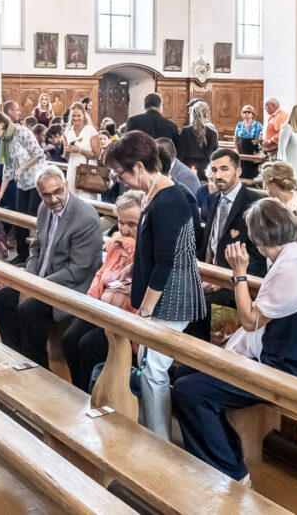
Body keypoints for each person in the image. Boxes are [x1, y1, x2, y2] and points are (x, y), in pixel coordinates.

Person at [173, 199, 297, 482]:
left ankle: (231, 471)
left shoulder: (291, 269)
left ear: (256, 239)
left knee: (190, 391)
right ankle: (223, 452)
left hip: (285, 370)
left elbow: (250, 320)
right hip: (279, 358)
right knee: (185, 371)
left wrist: (239, 273)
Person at [104, 132, 205, 439]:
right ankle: (150, 428)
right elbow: (156, 246)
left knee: (154, 369)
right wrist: (137, 266)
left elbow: (168, 261)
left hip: (172, 297)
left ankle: (159, 439)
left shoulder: (169, 198)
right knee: (149, 366)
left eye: (121, 173)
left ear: (137, 167)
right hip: (164, 293)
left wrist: (145, 311)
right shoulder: (155, 194)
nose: (120, 180)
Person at [0, 166, 103, 369]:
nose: (53, 199)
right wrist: (30, 280)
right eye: (46, 194)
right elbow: (35, 248)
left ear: (66, 186)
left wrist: (35, 287)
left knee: (28, 308)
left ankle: (37, 367)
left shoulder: (85, 217)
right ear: (39, 193)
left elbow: (78, 269)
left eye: (58, 191)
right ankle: (17, 355)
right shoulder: (44, 209)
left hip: (71, 287)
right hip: (41, 280)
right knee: (0, 299)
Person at [61, 190, 142, 391]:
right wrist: (91, 298)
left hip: (127, 317)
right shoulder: (117, 240)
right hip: (102, 309)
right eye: (121, 222)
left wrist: (130, 245)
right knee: (69, 339)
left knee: (89, 345)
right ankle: (79, 390)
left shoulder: (147, 246)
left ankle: (94, 397)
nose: (124, 229)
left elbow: (144, 270)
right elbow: (101, 274)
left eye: (132, 224)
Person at [194, 149, 268, 342]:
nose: (218, 175)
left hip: (236, 284)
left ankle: (212, 361)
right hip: (209, 275)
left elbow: (259, 257)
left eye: (224, 169)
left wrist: (226, 278)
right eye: (214, 169)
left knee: (203, 307)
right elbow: (209, 244)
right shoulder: (212, 199)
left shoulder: (254, 202)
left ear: (238, 171)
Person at [0, 111, 47, 264]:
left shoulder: (21, 132)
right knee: (19, 219)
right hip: (22, 184)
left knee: (33, 219)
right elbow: (7, 168)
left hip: (36, 181)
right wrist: (0, 193)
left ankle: (37, 257)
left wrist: (21, 168)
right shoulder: (5, 140)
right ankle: (23, 255)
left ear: (2, 122)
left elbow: (38, 153)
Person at [63, 101, 101, 199]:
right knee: (72, 198)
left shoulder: (90, 130)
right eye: (73, 115)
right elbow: (66, 157)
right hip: (72, 168)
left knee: (86, 199)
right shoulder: (67, 132)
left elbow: (97, 154)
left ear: (84, 116)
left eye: (79, 115)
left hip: (87, 168)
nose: (76, 118)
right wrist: (67, 151)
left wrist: (79, 150)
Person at [177, 100, 218, 182]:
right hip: (205, 171)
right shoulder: (213, 133)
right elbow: (214, 156)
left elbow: (179, 155)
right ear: (207, 114)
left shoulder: (186, 131)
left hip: (187, 169)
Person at [233, 104, 263, 180]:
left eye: (248, 112)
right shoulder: (239, 124)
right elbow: (235, 138)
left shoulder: (258, 125)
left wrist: (257, 141)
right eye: (244, 112)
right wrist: (236, 150)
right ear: (242, 114)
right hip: (241, 148)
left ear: (252, 114)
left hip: (252, 148)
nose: (246, 114)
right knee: (241, 168)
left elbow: (262, 138)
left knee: (251, 170)